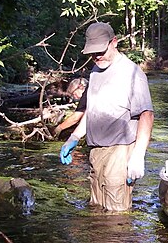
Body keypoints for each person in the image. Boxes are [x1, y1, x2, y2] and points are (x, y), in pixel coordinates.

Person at [59, 22, 154, 212]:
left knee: (116, 214)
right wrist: (74, 138)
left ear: (114, 42)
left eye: (100, 50)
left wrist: (137, 156)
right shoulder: (95, 72)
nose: (96, 56)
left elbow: (147, 115)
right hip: (95, 152)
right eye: (92, 53)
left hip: (120, 151)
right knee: (96, 209)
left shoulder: (132, 73)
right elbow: (92, 111)